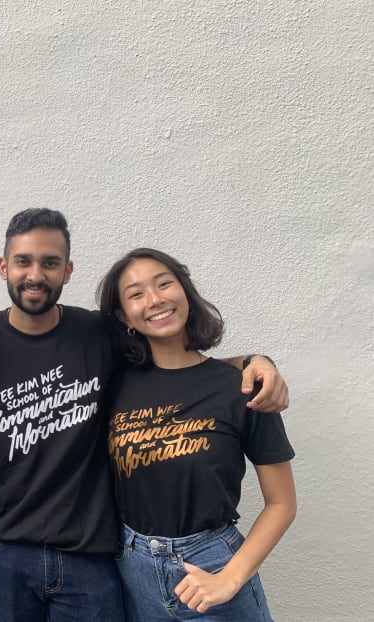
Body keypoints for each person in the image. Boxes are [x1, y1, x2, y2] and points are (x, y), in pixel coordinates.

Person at [0, 209, 289, 622]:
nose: (35, 274)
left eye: (50, 262)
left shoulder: (98, 335)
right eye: (23, 261)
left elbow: (181, 365)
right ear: (3, 267)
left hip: (92, 553)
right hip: (3, 553)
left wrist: (254, 362)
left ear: (67, 270)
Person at [97, 248, 296, 621]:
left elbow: (282, 503)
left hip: (211, 563)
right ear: (124, 316)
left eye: (164, 284)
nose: (154, 300)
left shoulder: (241, 387)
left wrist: (230, 578)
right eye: (136, 294)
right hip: (132, 569)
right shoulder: (113, 387)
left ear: (185, 291)